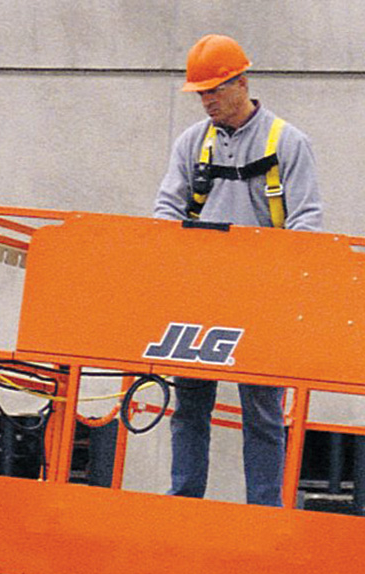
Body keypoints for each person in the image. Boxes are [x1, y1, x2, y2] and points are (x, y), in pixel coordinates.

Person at [153, 34, 324, 507]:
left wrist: (280, 279)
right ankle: (184, 500)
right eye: (201, 93)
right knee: (189, 404)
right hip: (200, 293)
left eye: (214, 91)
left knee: (264, 411)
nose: (206, 101)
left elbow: (307, 220)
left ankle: (264, 512)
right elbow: (167, 207)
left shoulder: (286, 142)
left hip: (262, 298)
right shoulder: (193, 143)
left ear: (241, 83)